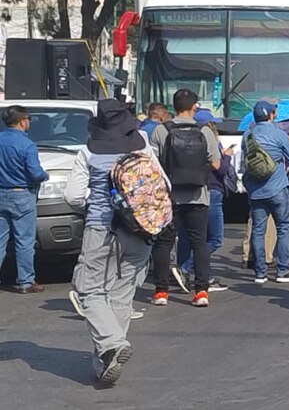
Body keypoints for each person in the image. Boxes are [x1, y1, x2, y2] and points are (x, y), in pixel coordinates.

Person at [63, 99, 164, 385]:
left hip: (101, 229)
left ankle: (112, 344)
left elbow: (72, 196)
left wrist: (93, 204)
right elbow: (163, 186)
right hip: (141, 231)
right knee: (121, 295)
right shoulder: (143, 147)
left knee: (89, 290)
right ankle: (105, 360)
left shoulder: (88, 152)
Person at [149, 89, 221, 307]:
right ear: (194, 107)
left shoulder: (161, 130)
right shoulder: (205, 131)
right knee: (199, 243)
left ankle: (161, 291)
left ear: (173, 107)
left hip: (170, 197)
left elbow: (152, 165)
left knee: (164, 243)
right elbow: (216, 164)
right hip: (198, 196)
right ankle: (201, 292)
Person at [240, 101, 289, 285]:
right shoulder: (279, 134)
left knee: (258, 230)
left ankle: (260, 273)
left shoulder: (247, 136)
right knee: (283, 228)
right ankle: (282, 271)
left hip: (256, 191)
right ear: (272, 115)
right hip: (277, 187)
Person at [173, 110, 233, 292]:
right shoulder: (209, 140)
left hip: (185, 190)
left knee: (186, 236)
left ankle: (185, 273)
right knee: (214, 239)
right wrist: (227, 156)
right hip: (211, 191)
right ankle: (186, 269)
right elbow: (220, 168)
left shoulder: (183, 141)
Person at [0, 105, 49, 293]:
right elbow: (35, 173)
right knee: (24, 241)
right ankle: (26, 282)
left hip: (1, 192)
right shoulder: (26, 144)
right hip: (21, 195)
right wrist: (45, 176)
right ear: (22, 122)